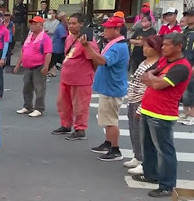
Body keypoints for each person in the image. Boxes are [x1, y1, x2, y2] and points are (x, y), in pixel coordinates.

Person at [133, 33, 193, 198]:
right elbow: (146, 75)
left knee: (165, 150)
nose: (163, 47)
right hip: (148, 108)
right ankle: (150, 174)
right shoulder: (164, 61)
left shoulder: (181, 67)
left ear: (178, 47)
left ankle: (167, 185)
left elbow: (158, 84)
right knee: (148, 147)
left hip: (163, 113)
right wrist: (153, 78)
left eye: (166, 45)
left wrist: (153, 78)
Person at [81, 17, 129, 161]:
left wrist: (87, 46)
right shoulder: (114, 44)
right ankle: (108, 143)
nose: (105, 31)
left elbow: (102, 60)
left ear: (117, 30)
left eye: (108, 28)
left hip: (112, 88)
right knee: (106, 118)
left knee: (110, 120)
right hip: (108, 86)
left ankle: (115, 149)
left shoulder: (118, 47)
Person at [53, 13, 98, 141]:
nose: (71, 26)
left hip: (81, 79)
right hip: (66, 78)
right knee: (63, 104)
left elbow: (94, 59)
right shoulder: (69, 38)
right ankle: (66, 125)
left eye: (74, 23)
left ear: (81, 24)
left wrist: (90, 73)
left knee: (80, 106)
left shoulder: (88, 41)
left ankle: (80, 129)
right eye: (69, 23)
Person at [123, 35, 162, 175]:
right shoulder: (145, 61)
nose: (145, 49)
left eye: (148, 46)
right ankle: (137, 156)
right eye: (144, 46)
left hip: (142, 100)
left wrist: (141, 106)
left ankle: (145, 160)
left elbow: (150, 88)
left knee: (142, 133)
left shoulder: (157, 65)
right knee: (133, 129)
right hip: (134, 98)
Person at [15, 16, 52, 117]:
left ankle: (39, 108)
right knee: (26, 88)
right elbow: (23, 51)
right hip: (28, 67)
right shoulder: (29, 37)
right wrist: (18, 64)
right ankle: (27, 106)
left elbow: (48, 53)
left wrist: (46, 66)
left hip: (38, 66)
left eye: (35, 24)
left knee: (39, 88)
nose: (32, 26)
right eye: (31, 24)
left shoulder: (45, 38)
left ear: (41, 25)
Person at [179, 8, 194, 125]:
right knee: (184, 89)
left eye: (190, 15)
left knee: (192, 89)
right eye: (186, 15)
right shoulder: (186, 31)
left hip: (193, 63)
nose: (187, 17)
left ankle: (193, 115)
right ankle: (185, 112)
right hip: (185, 62)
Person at [47, 12, 68, 77]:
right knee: (51, 63)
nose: (67, 18)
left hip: (59, 49)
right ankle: (41, 74)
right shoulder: (60, 27)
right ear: (63, 19)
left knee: (54, 63)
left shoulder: (62, 26)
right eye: (65, 17)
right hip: (57, 49)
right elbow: (64, 37)